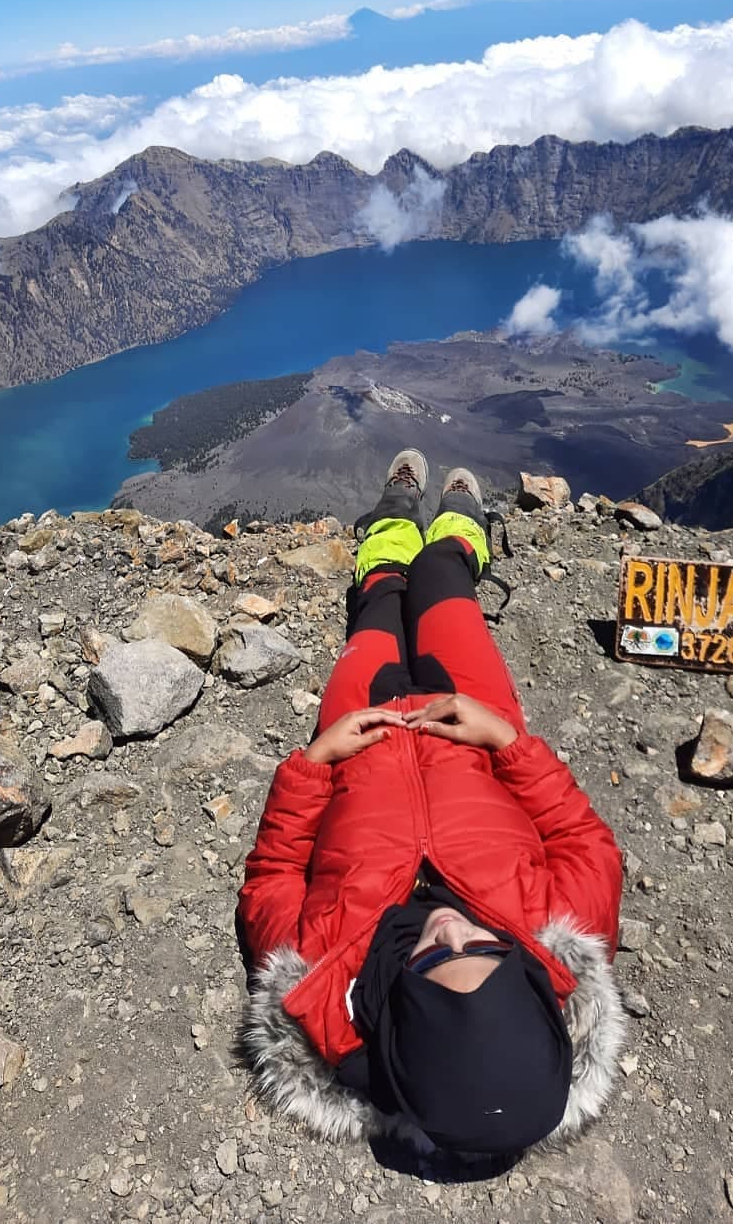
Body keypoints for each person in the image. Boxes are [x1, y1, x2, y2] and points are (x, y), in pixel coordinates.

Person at [237, 450, 625, 1158]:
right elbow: (583, 841)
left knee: (382, 597)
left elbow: (272, 875)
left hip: (363, 731)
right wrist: (506, 740)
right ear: (531, 990)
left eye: (428, 961)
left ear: (397, 1019)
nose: (450, 927)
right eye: (485, 947)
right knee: (445, 579)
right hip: (471, 723)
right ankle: (460, 527)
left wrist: (317, 762)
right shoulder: (562, 940)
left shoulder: (318, 975)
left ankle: (391, 517)